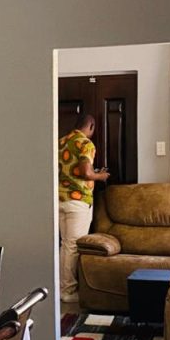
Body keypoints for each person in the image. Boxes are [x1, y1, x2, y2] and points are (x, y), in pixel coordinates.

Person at [58, 112, 109, 303]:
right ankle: (68, 291)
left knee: (65, 245)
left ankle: (61, 287)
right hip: (78, 201)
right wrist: (101, 176)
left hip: (59, 199)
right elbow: (86, 173)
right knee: (72, 246)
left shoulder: (61, 142)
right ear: (91, 127)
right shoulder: (85, 143)